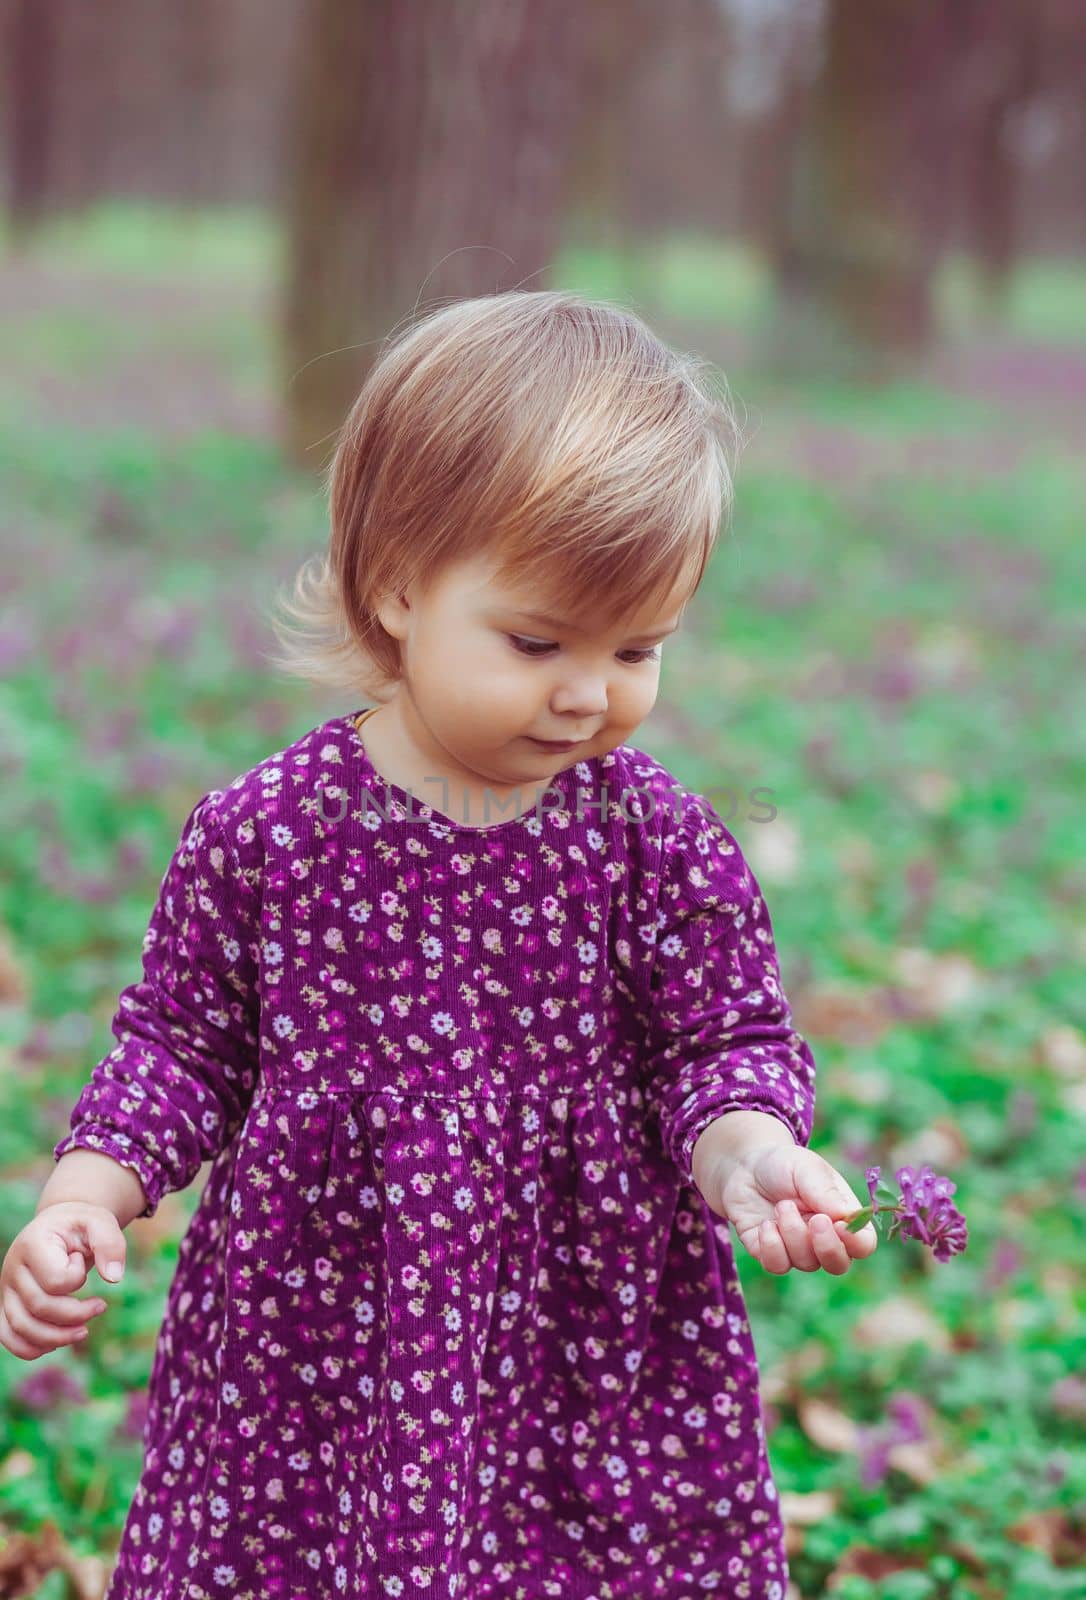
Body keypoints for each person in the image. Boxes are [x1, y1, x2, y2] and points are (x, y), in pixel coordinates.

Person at [1, 289, 877, 1600]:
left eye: (637, 647)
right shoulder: (266, 834)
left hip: (586, 1338)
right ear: (397, 585)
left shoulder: (661, 845)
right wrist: (83, 1198)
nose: (589, 691)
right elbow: (180, 1048)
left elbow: (720, 1042)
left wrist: (752, 1156)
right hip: (325, 1342)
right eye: (537, 642)